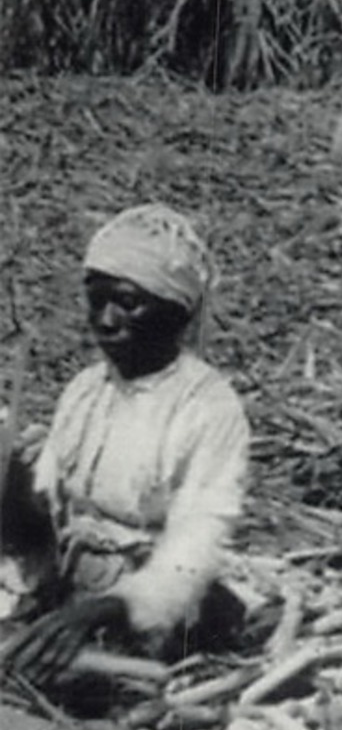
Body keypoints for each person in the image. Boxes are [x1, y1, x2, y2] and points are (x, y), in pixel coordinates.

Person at [0, 204, 249, 689]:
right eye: (96, 301)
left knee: (61, 678)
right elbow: (50, 515)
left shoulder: (208, 408)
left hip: (152, 600)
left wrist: (106, 609)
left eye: (128, 303)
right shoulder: (85, 390)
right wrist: (11, 485)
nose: (106, 320)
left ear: (177, 312)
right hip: (74, 584)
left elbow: (192, 552)